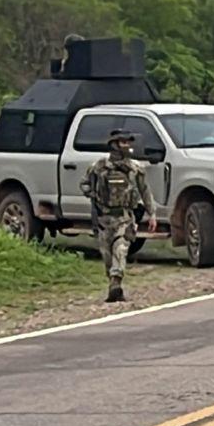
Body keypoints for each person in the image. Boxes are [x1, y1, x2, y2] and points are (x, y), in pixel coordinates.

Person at [81, 129, 157, 302]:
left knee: (120, 250)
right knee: (107, 256)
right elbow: (84, 183)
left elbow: (145, 191)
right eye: (123, 142)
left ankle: (116, 281)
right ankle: (114, 286)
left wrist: (152, 213)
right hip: (103, 219)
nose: (127, 146)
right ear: (114, 144)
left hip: (124, 217)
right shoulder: (98, 167)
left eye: (128, 142)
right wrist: (92, 194)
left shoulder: (135, 168)